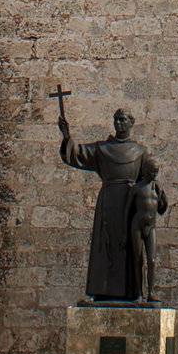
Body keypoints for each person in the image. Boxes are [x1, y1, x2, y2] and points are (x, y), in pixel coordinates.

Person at [59, 107, 150, 300]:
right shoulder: (102, 149)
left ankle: (133, 292)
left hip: (130, 204)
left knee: (130, 248)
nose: (118, 123)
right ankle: (102, 290)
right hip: (108, 203)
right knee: (105, 247)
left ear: (131, 123)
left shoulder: (141, 152)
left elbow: (149, 179)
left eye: (122, 120)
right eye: (116, 120)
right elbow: (77, 154)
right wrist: (67, 136)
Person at [128, 155, 168, 304]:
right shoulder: (136, 188)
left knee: (152, 260)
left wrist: (163, 196)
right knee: (138, 260)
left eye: (156, 172)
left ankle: (151, 292)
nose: (154, 175)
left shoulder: (156, 187)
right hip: (137, 226)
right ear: (145, 171)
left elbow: (162, 210)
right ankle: (139, 293)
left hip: (151, 227)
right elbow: (127, 211)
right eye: (152, 172)